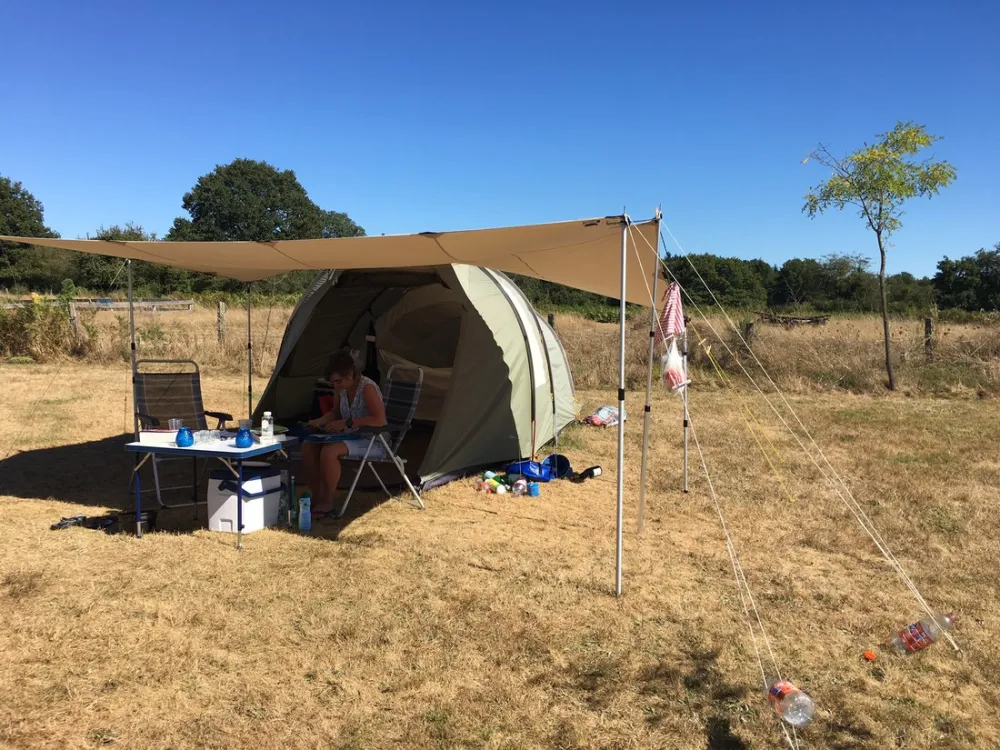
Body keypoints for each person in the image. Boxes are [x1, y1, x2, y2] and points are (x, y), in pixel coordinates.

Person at [302, 350, 387, 519]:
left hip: (372, 439)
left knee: (330, 451)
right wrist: (316, 422)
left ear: (349, 374)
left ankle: (328, 500)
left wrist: (348, 423)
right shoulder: (341, 389)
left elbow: (380, 420)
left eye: (338, 381)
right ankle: (316, 495)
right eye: (333, 382)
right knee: (308, 446)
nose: (335, 386)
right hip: (350, 436)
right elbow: (335, 413)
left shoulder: (367, 388)